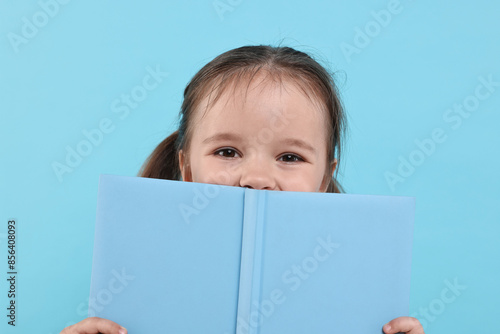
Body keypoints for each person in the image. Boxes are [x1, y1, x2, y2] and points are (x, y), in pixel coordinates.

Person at [60, 45, 425, 334]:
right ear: (187, 167)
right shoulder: (133, 278)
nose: (256, 178)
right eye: (227, 152)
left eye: (290, 156)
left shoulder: (358, 291)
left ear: (325, 178)